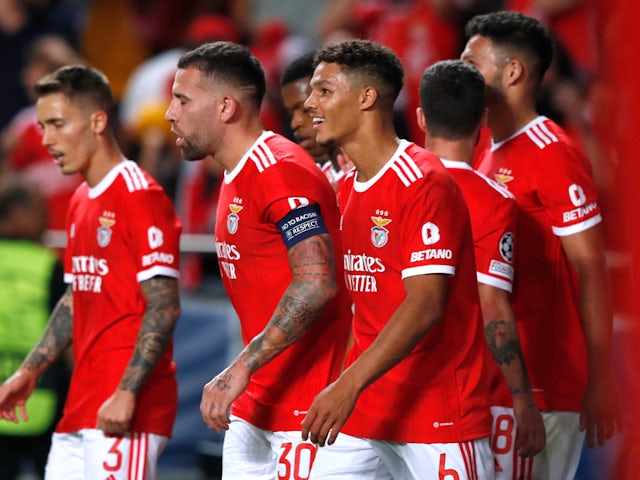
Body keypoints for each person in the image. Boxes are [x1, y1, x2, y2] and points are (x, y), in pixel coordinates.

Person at [301, 39, 493, 479]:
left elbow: (424, 304)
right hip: (366, 409)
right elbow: (363, 308)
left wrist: (346, 385)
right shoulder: (346, 190)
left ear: (367, 98)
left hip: (438, 416)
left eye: (324, 91)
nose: (311, 103)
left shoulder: (424, 182)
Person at [165, 41, 352, 479]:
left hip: (308, 410)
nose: (170, 113)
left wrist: (239, 369)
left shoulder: (278, 170)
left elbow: (317, 282)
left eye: (182, 100)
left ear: (227, 107)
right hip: (257, 404)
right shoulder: (236, 172)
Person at [0, 65, 182, 480]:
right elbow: (75, 295)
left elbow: (165, 306)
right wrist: (29, 371)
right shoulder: (81, 199)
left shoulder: (140, 196)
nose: (47, 139)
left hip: (125, 409)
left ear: (98, 120)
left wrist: (126, 392)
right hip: (81, 403)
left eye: (58, 124)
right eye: (43, 125)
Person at [461, 11, 620, 479]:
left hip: (547, 384)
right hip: (505, 380)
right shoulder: (489, 147)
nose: (461, 72)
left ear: (512, 73)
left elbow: (591, 267)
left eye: (472, 64)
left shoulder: (554, 153)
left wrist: (600, 377)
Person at [416, 59, 546, 472]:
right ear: (483, 121)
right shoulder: (493, 201)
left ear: (420, 118)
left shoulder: (390, 184)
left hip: (384, 395)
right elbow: (493, 306)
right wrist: (523, 399)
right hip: (457, 401)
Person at [0, 176, 69, 479]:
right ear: (17, 215)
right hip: (42, 398)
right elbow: (68, 332)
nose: (47, 220)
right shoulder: (46, 264)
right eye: (41, 213)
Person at [280, 50, 352, 192]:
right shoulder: (313, 183)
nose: (295, 123)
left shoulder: (381, 171)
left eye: (305, 110)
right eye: (291, 114)